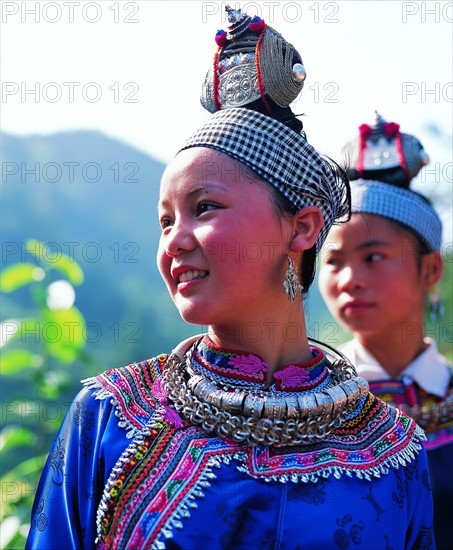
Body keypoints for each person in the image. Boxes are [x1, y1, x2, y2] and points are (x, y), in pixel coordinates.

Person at [27, 9, 435, 549]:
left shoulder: (395, 449)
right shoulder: (108, 418)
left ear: (304, 226)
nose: (175, 240)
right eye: (165, 220)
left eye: (205, 207)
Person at [318, 113, 452, 549]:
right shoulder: (303, 400)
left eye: (373, 257)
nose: (350, 279)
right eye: (333, 261)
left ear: (430, 268)